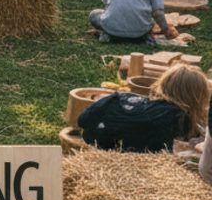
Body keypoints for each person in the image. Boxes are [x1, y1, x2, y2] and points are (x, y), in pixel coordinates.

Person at [80, 64, 210, 154]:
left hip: (94, 138)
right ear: (196, 98)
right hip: (127, 152)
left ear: (163, 85)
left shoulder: (121, 97)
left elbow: (82, 121)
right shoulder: (180, 118)